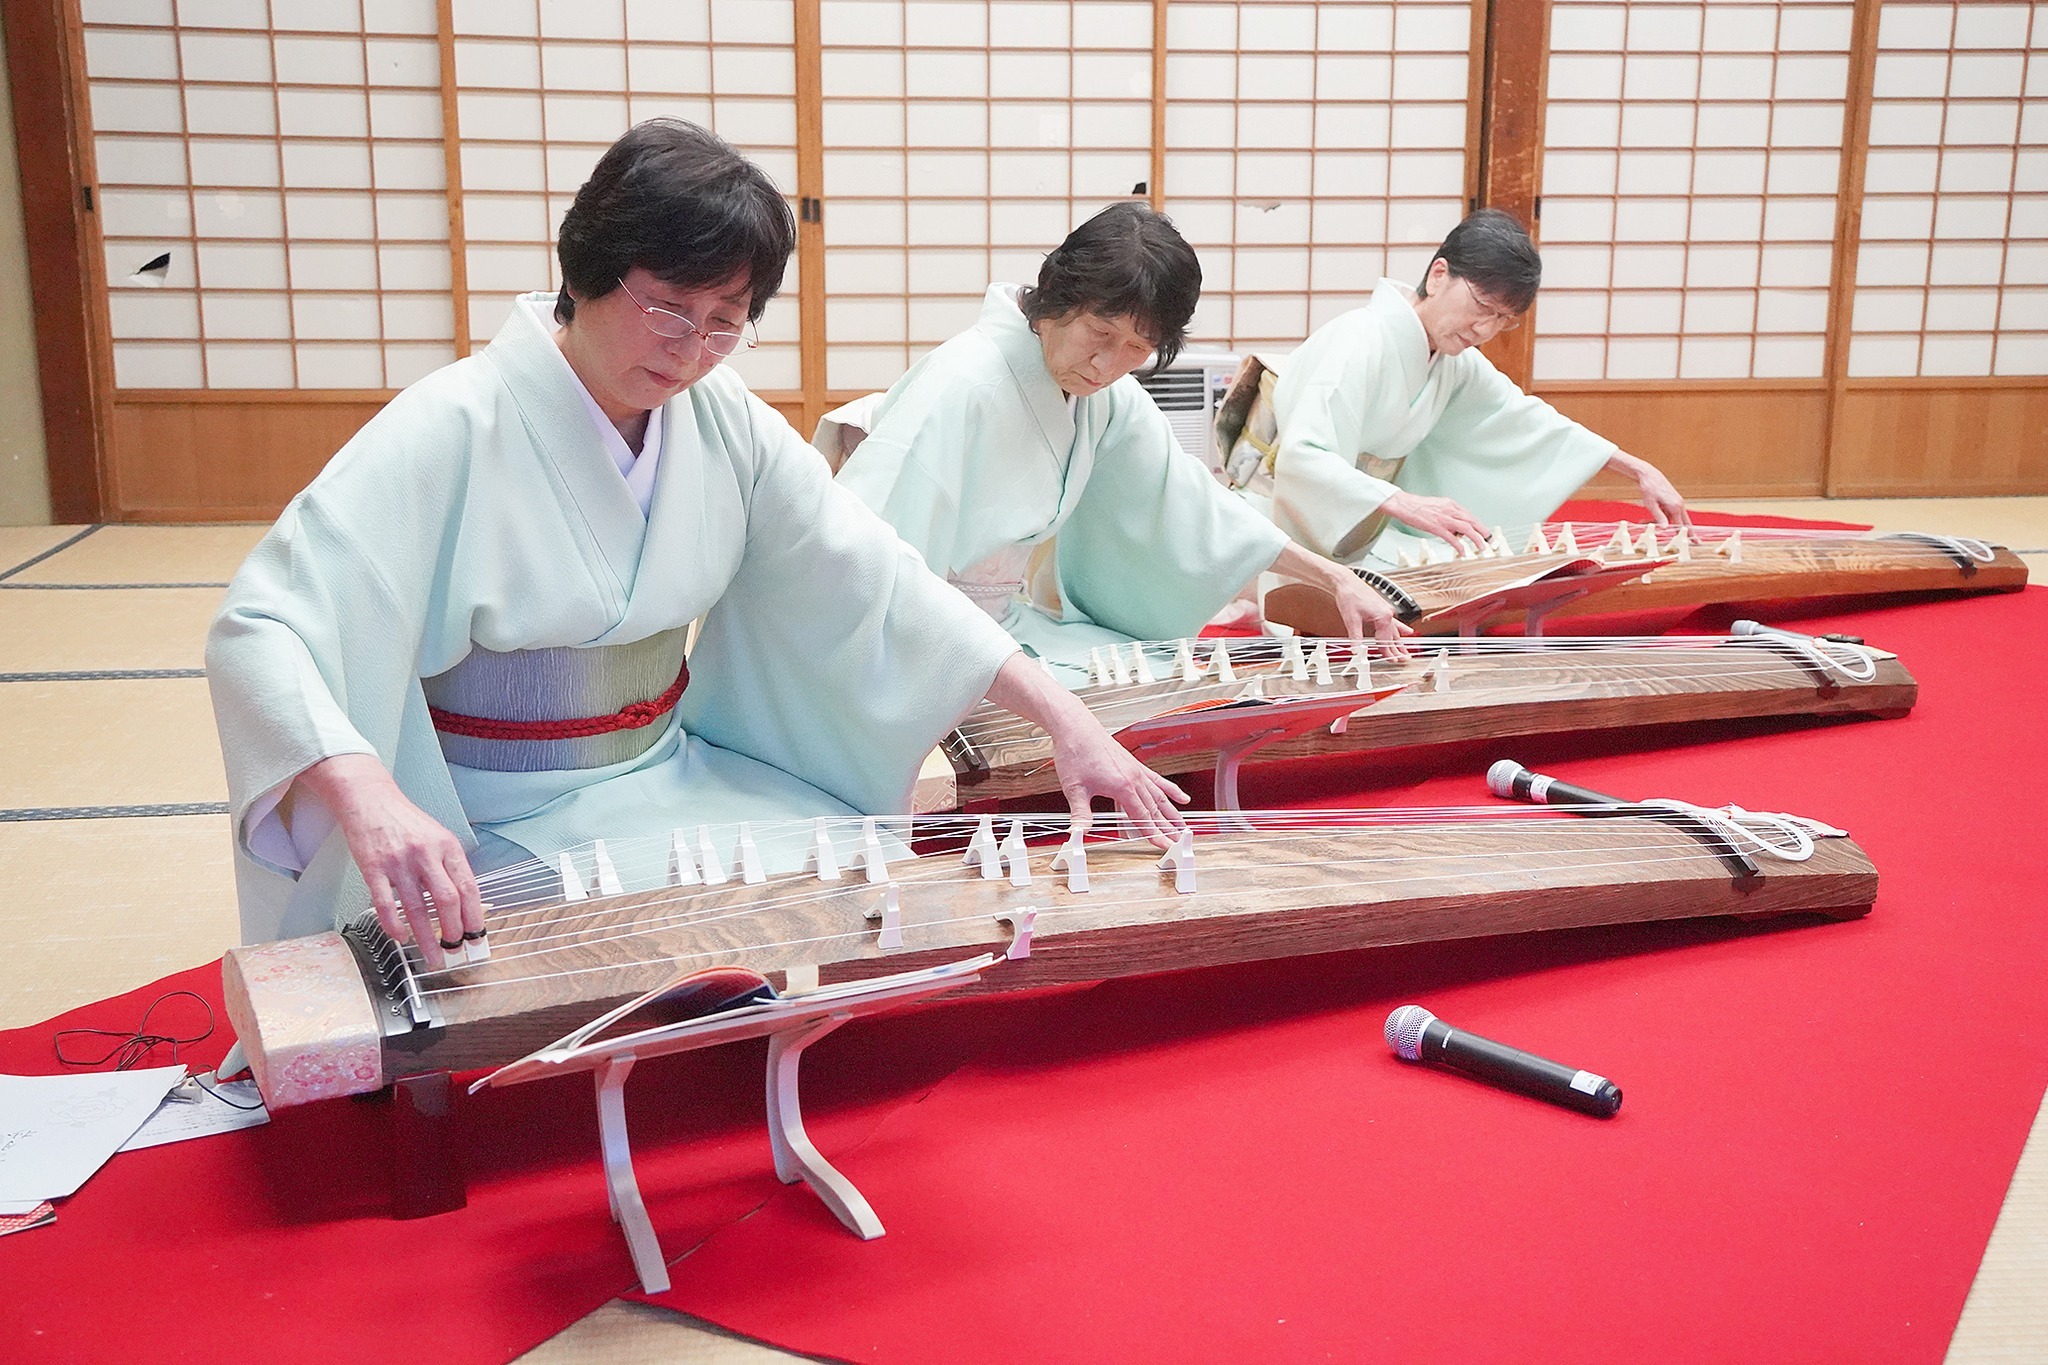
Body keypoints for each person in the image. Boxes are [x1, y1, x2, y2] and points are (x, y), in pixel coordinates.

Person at [207, 121, 1185, 962]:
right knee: (639, 925)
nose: (690, 348)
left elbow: (874, 575)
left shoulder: (720, 416)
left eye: (726, 323)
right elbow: (262, 627)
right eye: (669, 307)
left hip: (663, 770)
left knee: (848, 856)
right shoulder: (451, 425)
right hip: (489, 811)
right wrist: (368, 792)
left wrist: (1066, 723)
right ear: (588, 269)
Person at [834, 203, 1407, 686]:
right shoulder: (961, 384)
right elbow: (868, 563)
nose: (1109, 365)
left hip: (1000, 628)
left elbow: (1193, 505)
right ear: (1057, 298)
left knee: (1169, 677)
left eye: (1138, 348)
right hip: (920, 644)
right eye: (1100, 334)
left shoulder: (1101, 397)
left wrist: (1335, 577)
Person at [1268, 208, 1688, 567]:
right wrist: (1403, 502)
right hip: (1289, 533)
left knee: (1484, 567)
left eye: (1504, 319)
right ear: (1438, 276)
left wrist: (1638, 469)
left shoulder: (1454, 362)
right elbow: (1302, 458)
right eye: (1482, 307)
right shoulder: (1357, 340)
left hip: (1358, 529)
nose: (1485, 329)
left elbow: (1524, 420)